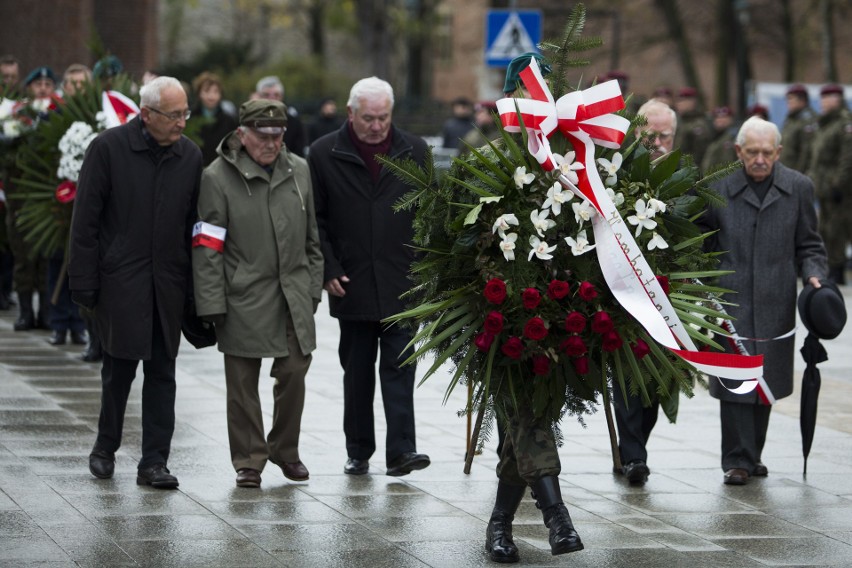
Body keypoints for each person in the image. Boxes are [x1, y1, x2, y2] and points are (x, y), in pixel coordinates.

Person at [68, 76, 202, 489]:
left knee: (163, 373)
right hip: (121, 282)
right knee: (119, 370)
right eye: (174, 114)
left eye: (185, 113)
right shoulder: (108, 149)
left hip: (168, 284)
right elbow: (85, 223)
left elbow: (192, 226)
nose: (182, 122)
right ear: (146, 115)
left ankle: (154, 462)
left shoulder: (190, 156)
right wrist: (84, 283)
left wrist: (196, 292)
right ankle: (105, 447)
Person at [481, 53, 584, 564]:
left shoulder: (564, 163)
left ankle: (499, 526)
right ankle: (557, 521)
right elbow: (467, 243)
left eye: (539, 98)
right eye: (524, 99)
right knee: (526, 420)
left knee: (523, 428)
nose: (532, 110)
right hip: (498, 325)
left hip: (559, 321)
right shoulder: (487, 163)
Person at [192, 99, 323, 489]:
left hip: (292, 293)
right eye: (262, 136)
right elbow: (206, 247)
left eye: (278, 135)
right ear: (242, 134)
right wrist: (212, 302)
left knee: (295, 371)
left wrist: (312, 289)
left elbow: (313, 239)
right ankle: (249, 459)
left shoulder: (298, 170)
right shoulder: (217, 177)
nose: (271, 143)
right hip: (242, 294)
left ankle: (285, 449)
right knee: (242, 384)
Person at [309, 76, 431, 479]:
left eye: (383, 117)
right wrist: (328, 267)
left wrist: (427, 269)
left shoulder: (414, 149)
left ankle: (402, 451)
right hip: (352, 280)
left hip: (402, 280)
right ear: (350, 113)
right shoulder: (325, 153)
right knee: (357, 373)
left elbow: (428, 215)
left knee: (400, 369)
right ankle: (358, 450)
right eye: (368, 118)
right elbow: (317, 220)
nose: (377, 126)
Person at [697, 116, 827, 485]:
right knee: (737, 379)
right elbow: (701, 237)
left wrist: (815, 273)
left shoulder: (798, 187)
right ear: (738, 151)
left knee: (765, 381)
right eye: (751, 152)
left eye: (766, 153)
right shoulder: (717, 186)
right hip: (729, 300)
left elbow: (810, 243)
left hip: (775, 298)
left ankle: (752, 455)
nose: (759, 159)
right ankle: (736, 460)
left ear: (778, 153)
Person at [612, 97, 679, 485]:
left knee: (657, 382)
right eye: (648, 135)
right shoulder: (618, 176)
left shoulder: (685, 175)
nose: (656, 143)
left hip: (669, 297)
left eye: (664, 136)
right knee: (627, 373)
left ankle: (636, 445)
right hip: (626, 293)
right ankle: (633, 454)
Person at [7, 66, 58, 332]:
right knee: (23, 257)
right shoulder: (16, 116)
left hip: (47, 200)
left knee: (46, 258)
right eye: (38, 84)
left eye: (48, 84)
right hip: (20, 198)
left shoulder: (58, 117)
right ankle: (26, 312)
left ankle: (46, 313)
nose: (43, 88)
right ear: (29, 87)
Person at [806, 84, 852, 285]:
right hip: (822, 186)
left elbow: (847, 157)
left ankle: (837, 268)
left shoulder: (844, 124)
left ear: (838, 99)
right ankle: (829, 267)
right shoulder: (823, 124)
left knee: (837, 230)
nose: (823, 102)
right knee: (824, 228)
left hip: (838, 189)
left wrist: (837, 185)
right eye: (822, 98)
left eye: (827, 98)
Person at [191, 71, 238, 166]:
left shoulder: (229, 120)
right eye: (207, 91)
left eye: (216, 91)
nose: (211, 96)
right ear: (199, 93)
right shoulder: (191, 118)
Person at [255, 75, 307, 157]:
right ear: (259, 97)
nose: (272, 99)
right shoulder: (250, 121)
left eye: (276, 95)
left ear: (282, 97)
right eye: (266, 95)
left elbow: (298, 154)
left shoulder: (294, 123)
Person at [780, 84, 817, 174]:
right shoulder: (790, 120)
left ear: (802, 101)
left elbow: (806, 152)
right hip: (785, 171)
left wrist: (798, 175)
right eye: (788, 99)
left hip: (797, 174)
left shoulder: (808, 121)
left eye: (791, 99)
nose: (788, 102)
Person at [674, 87, 712, 167]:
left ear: (692, 102)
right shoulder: (677, 120)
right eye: (678, 101)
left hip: (689, 169)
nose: (679, 104)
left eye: (682, 101)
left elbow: (701, 152)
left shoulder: (699, 123)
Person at [701, 105, 737, 173]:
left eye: (724, 117)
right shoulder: (713, 137)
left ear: (731, 119)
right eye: (717, 117)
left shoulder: (733, 138)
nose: (720, 120)